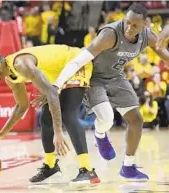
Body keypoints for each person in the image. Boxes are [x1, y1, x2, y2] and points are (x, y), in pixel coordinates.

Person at [43, 3, 169, 180]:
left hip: (116, 76)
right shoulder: (110, 35)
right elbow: (79, 60)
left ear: (144, 26)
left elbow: (165, 55)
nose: (129, 27)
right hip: (93, 77)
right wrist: (57, 84)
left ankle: (128, 167)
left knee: (136, 119)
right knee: (107, 118)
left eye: (135, 25)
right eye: (127, 22)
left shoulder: (147, 36)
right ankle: (100, 134)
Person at [0, 44, 100, 186]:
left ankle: (88, 170)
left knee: (67, 113)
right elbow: (22, 107)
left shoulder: (22, 65)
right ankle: (51, 166)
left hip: (75, 61)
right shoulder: (11, 78)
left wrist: (58, 132)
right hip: (58, 73)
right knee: (45, 118)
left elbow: (51, 93)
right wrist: (3, 132)